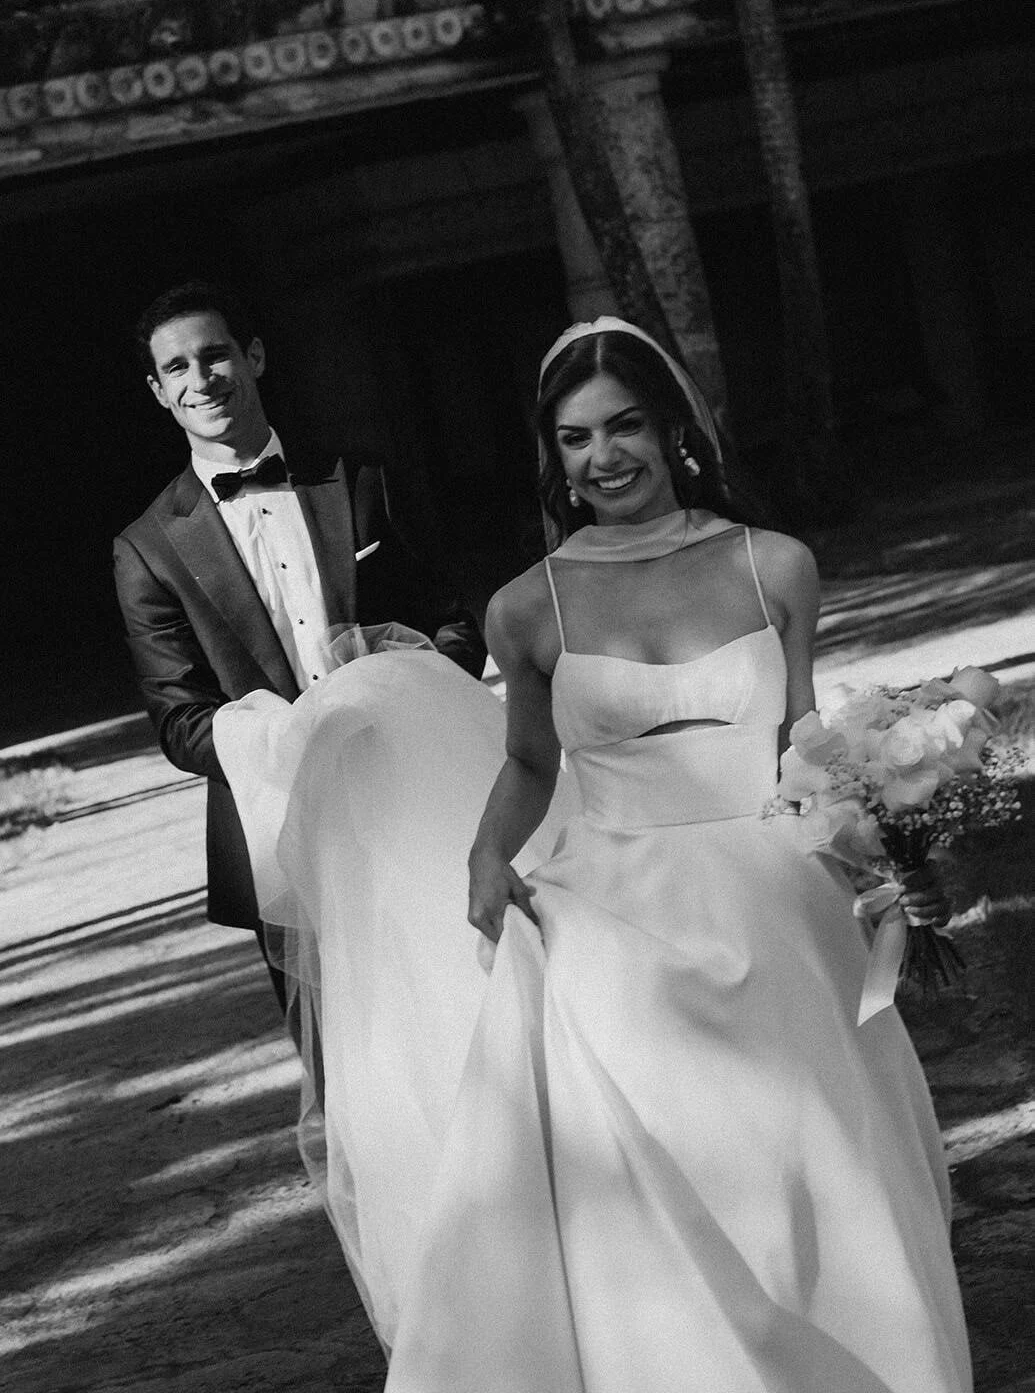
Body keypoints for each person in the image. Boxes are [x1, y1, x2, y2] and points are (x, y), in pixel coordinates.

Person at [211, 316, 971, 1392]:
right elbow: (527, 763)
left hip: (777, 902)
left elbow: (798, 741)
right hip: (618, 908)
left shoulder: (774, 565)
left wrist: (879, 842)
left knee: (815, 1165)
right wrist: (483, 858)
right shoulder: (528, 603)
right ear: (550, 455)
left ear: (673, 432)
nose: (602, 457)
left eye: (623, 428)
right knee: (662, 1170)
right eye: (574, 439)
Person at [112, 279, 486, 1010]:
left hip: (420, 788)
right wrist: (297, 739)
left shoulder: (362, 479)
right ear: (158, 392)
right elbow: (180, 721)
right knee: (350, 1061)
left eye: (214, 356)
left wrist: (401, 702)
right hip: (279, 831)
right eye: (178, 369)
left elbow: (453, 627)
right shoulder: (146, 549)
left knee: (475, 1010)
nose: (201, 380)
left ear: (253, 356)